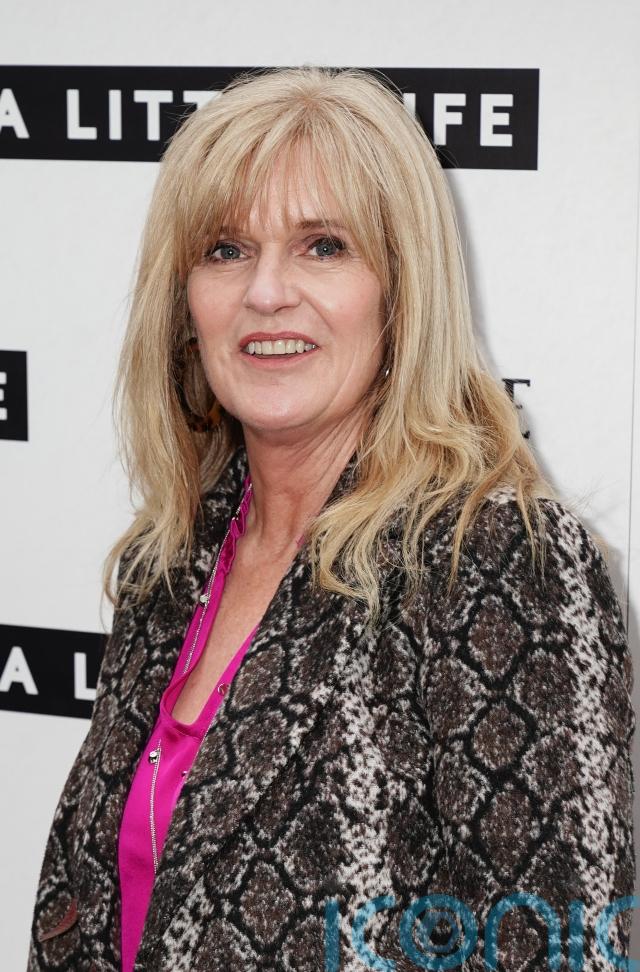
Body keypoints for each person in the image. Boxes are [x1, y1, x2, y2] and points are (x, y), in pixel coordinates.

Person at [27, 64, 635, 972]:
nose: (266, 291)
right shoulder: (172, 559)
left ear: (401, 292)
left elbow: (559, 949)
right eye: (226, 249)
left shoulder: (501, 561)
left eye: (322, 246)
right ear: (184, 301)